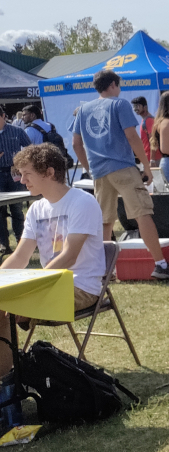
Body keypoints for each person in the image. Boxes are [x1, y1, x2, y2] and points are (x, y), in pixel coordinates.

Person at [0, 144, 104, 400]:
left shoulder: (83, 202)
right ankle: (6, 379)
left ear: (48, 172)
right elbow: (21, 256)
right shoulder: (36, 209)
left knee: (5, 310)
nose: (21, 180)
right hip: (51, 284)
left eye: (26, 174)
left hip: (82, 287)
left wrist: (31, 284)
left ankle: (5, 384)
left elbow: (68, 256)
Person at [70, 70, 169, 279]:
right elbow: (132, 136)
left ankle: (104, 270)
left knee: (105, 221)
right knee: (142, 213)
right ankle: (160, 264)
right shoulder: (119, 104)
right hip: (122, 167)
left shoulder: (83, 109)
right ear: (113, 84)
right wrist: (146, 166)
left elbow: (76, 144)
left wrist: (89, 168)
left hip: (99, 171)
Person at [0, 107, 31, 253]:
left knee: (17, 209)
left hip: (14, 175)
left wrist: (20, 162)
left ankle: (21, 242)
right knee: (0, 212)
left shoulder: (17, 131)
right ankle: (4, 245)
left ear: (3, 116)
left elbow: (31, 149)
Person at [131, 96, 161, 169]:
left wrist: (152, 160)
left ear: (145, 107)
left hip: (154, 159)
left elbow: (153, 140)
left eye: (137, 106)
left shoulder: (149, 120)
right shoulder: (144, 120)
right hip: (148, 158)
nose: (135, 109)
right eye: (134, 106)